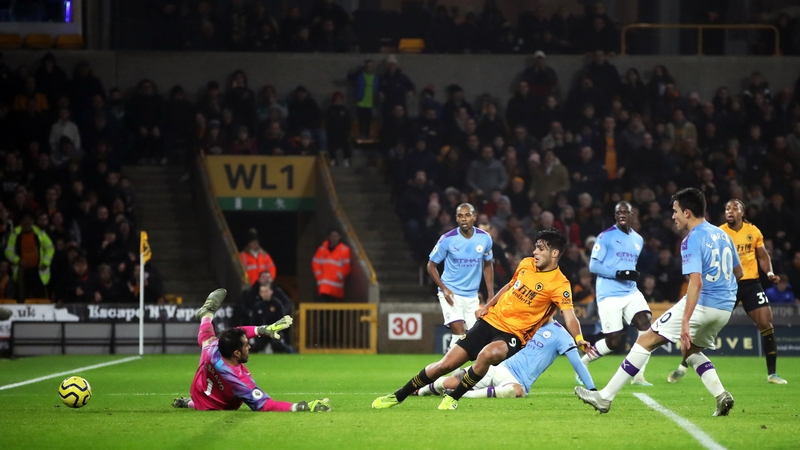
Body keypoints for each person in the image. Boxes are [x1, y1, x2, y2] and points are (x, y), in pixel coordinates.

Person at [373, 228, 594, 411]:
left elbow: (570, 315)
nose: (535, 251)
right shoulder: (526, 264)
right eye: (535, 246)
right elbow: (509, 286)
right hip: (490, 321)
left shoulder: (560, 284)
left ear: (555, 253)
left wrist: (578, 337)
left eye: (541, 248)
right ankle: (397, 396)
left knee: (488, 354)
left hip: (513, 334)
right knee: (444, 365)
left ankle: (452, 398)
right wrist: (487, 306)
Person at [575, 188, 742, 416]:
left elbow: (696, 283)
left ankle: (604, 398)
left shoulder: (691, 239)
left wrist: (685, 322)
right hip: (724, 308)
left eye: (675, 212)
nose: (673, 217)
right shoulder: (723, 235)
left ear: (687, 212)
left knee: (645, 340)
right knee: (690, 350)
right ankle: (721, 395)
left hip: (703, 303)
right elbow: (739, 272)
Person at [668, 199, 788, 385]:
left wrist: (770, 273)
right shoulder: (719, 232)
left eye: (734, 208)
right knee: (704, 326)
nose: (729, 211)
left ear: (742, 211)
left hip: (751, 284)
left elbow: (762, 255)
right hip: (726, 285)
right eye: (726, 208)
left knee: (766, 323)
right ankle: (684, 364)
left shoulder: (753, 231)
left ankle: (772, 374)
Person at [171, 288, 330, 412]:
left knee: (208, 339)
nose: (250, 346)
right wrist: (303, 406)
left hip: (199, 391)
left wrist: (262, 330)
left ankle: (206, 314)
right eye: (246, 345)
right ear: (236, 353)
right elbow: (266, 405)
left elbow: (233, 333)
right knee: (208, 341)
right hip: (215, 405)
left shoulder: (214, 350)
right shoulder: (239, 381)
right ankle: (192, 403)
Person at [415, 319, 595, 398]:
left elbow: (577, 364)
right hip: (494, 367)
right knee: (450, 382)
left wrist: (593, 390)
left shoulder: (562, 335)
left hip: (515, 380)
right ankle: (423, 390)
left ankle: (467, 395)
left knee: (517, 392)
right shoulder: (522, 323)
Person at [579, 201, 652, 386]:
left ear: (631, 215)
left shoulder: (638, 240)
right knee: (614, 341)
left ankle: (639, 375)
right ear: (615, 216)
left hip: (630, 292)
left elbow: (629, 265)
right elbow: (593, 265)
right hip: (609, 294)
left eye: (625, 212)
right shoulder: (605, 237)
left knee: (646, 327)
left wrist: (630, 273)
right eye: (618, 212)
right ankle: (584, 362)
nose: (621, 215)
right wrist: (618, 273)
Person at [428, 203, 494, 350]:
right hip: (451, 293)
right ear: (456, 219)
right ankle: (451, 370)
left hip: (472, 297)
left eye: (467, 215)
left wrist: (491, 295)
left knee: (477, 338)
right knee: (459, 332)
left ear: (474, 217)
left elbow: (488, 264)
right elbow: (431, 266)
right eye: (460, 216)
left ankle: (474, 372)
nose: (464, 219)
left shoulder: (485, 239)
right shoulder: (447, 239)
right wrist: (444, 289)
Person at [5, 213, 54, 300]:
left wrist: (45, 262)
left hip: (38, 271)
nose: (27, 222)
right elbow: (8, 252)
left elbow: (50, 248)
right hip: (22, 272)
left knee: (40, 297)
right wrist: (19, 260)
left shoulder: (39, 233)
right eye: (25, 220)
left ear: (33, 221)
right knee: (23, 297)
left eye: (29, 220)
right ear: (21, 222)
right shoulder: (15, 234)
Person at [312, 229, 351, 301]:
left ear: (340, 237)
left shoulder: (344, 250)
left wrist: (337, 277)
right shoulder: (322, 249)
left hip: (336, 290)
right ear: (329, 237)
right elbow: (315, 263)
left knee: (336, 311)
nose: (334, 238)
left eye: (336, 236)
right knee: (323, 310)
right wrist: (319, 277)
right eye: (332, 236)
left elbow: (346, 267)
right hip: (324, 288)